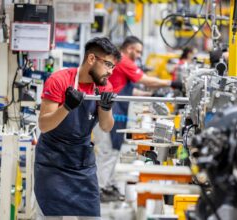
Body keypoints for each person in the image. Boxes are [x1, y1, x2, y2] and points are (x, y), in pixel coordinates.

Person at [35, 37, 121, 219]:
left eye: (113, 67)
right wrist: (66, 107)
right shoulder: (59, 80)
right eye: (108, 65)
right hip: (53, 162)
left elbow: (106, 127)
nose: (110, 72)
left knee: (91, 215)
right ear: (91, 59)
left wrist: (106, 108)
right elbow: (44, 125)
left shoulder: (104, 87)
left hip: (81, 162)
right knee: (51, 215)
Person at [96, 36, 182, 202]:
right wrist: (172, 83)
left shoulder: (118, 63)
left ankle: (108, 186)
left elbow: (126, 90)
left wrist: (150, 95)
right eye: (138, 52)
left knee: (114, 150)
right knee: (107, 152)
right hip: (108, 110)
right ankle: (100, 189)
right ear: (129, 49)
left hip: (115, 110)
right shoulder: (122, 60)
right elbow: (144, 79)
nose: (139, 56)